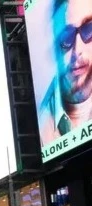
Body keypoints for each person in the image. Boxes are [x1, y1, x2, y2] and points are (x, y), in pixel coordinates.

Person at [38, 0, 92, 144]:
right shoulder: (42, 127)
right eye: (66, 38)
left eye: (88, 29)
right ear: (55, 50)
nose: (78, 50)